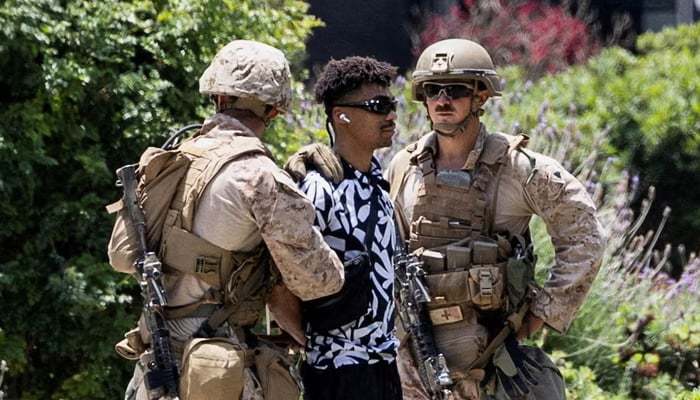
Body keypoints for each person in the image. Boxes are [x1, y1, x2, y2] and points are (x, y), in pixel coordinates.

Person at [112, 39, 345, 400]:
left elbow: (121, 260)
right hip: (214, 371)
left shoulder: (174, 161)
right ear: (274, 111)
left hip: (156, 368)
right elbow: (319, 280)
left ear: (218, 97)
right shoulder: (259, 176)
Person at [384, 38, 607, 399]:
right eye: (432, 90)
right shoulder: (403, 167)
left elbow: (584, 236)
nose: (443, 100)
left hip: (495, 357)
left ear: (481, 97)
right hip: (418, 361)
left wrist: (541, 313)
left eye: (456, 89)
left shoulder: (518, 168)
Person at [284, 56, 403, 400]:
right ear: (342, 116)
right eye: (378, 106)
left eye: (391, 105)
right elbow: (279, 286)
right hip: (338, 373)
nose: (391, 115)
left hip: (383, 365)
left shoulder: (378, 183)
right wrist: (319, 343)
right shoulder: (318, 189)